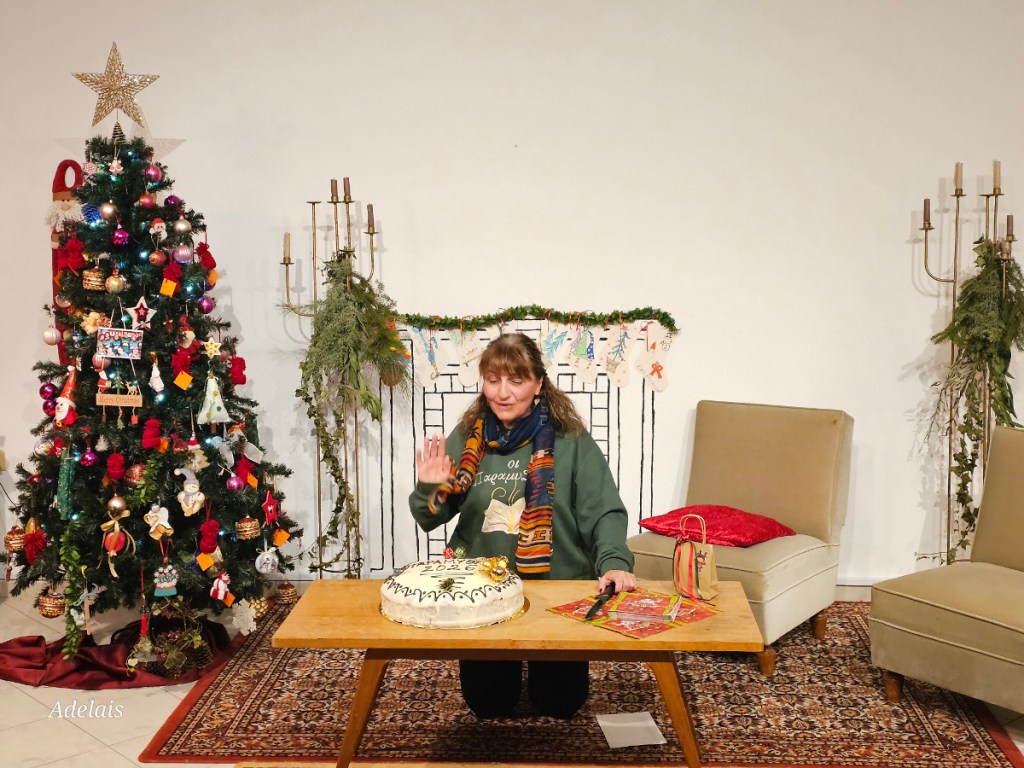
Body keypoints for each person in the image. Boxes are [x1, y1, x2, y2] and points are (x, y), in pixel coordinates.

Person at [410, 332, 636, 719]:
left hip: (557, 588)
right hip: (483, 592)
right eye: (493, 380)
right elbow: (429, 516)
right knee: (488, 703)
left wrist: (614, 563)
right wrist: (430, 487)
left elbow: (604, 511)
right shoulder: (467, 439)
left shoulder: (571, 441)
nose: (503, 392)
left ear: (538, 384)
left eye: (516, 380)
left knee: (561, 703)